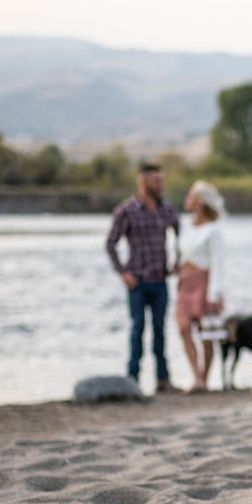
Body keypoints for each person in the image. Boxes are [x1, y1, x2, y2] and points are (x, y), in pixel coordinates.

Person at [105, 162, 179, 392]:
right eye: (156, 180)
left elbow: (181, 235)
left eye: (161, 180)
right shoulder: (127, 210)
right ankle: (132, 378)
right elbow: (111, 243)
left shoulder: (166, 209)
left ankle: (163, 380)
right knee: (137, 329)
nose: (160, 184)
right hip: (137, 281)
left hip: (160, 280)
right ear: (144, 182)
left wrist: (177, 261)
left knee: (160, 331)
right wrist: (122, 273)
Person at [176, 180, 226, 393]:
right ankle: (196, 376)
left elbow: (217, 262)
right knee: (183, 327)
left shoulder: (213, 231)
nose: (187, 200)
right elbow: (183, 253)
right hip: (185, 281)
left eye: (190, 196)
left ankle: (203, 379)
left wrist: (214, 293)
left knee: (207, 334)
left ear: (200, 202)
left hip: (204, 282)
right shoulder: (186, 226)